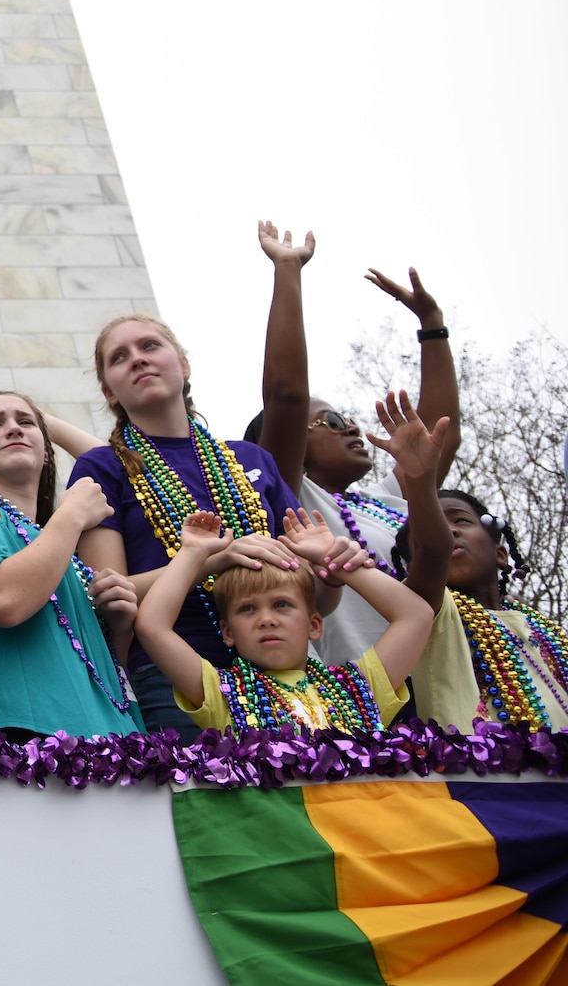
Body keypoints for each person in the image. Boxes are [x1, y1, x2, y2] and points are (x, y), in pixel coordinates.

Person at [66, 314, 304, 740]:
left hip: (283, 668)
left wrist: (332, 568)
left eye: (150, 346)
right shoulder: (101, 467)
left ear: (184, 364)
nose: (137, 360)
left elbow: (311, 588)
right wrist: (211, 562)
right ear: (109, 391)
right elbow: (107, 592)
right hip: (173, 672)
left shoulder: (251, 458)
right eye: (119, 358)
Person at [251, 221, 461, 663]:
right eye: (329, 420)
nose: (350, 428)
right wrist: (288, 270)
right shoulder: (293, 503)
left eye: (348, 418)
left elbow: (440, 437)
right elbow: (287, 396)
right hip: (354, 698)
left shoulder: (385, 505)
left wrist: (432, 326)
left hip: (427, 692)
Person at [0, 394, 144, 738]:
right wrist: (71, 513)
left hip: (107, 739)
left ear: (47, 453)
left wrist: (119, 625)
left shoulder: (58, 545)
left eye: (26, 422)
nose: (13, 429)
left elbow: (92, 664)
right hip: (20, 742)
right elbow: (6, 602)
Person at [136, 505, 432, 734]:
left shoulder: (358, 688)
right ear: (228, 632)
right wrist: (193, 554)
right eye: (247, 609)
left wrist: (335, 561)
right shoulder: (223, 694)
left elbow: (416, 616)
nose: (266, 619)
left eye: (281, 605)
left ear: (314, 624)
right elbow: (153, 626)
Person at [374, 397, 568, 731]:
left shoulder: (549, 630)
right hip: (480, 781)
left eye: (461, 520)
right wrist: (420, 481)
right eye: (421, 541)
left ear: (501, 552)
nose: (449, 531)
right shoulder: (428, 614)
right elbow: (436, 548)